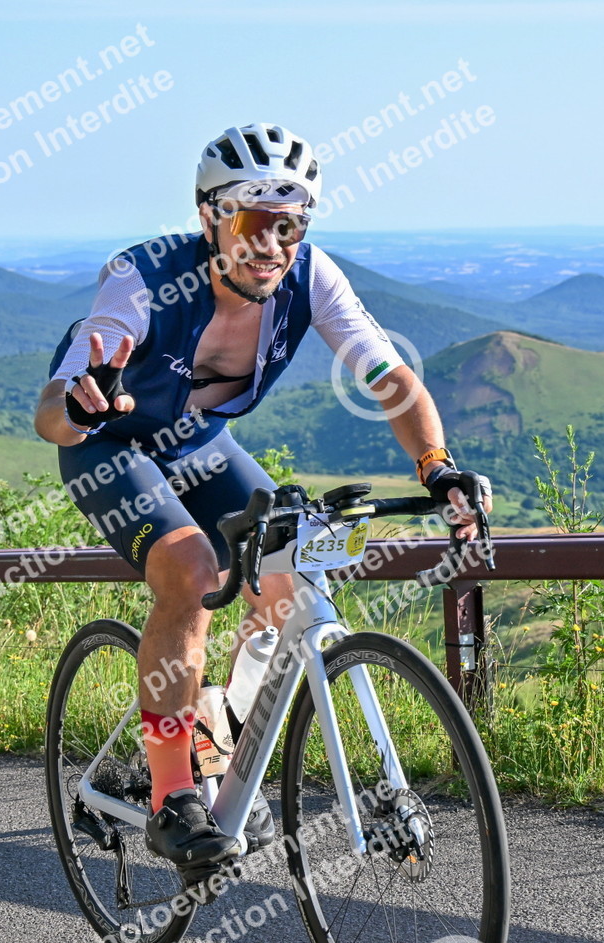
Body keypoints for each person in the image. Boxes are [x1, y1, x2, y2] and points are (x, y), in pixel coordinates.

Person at [34, 122, 491, 877]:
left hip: (199, 443)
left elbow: (392, 381)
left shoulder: (312, 277)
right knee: (189, 571)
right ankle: (174, 797)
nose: (272, 245)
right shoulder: (142, 278)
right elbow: (51, 416)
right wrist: (83, 407)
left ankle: (223, 730)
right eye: (253, 221)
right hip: (109, 447)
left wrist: (437, 467)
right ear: (210, 216)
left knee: (291, 572)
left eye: (291, 224)